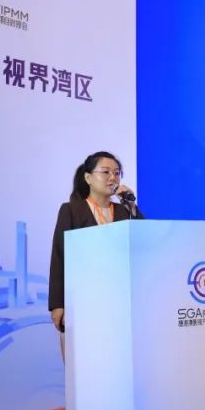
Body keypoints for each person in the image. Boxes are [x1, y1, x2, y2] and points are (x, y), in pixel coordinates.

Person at [48, 151, 143, 359]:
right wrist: (58, 304)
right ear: (88, 177)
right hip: (82, 301)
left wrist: (131, 206)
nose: (113, 178)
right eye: (106, 172)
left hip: (119, 301)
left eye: (117, 173)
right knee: (84, 362)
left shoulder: (124, 211)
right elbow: (59, 257)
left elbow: (143, 240)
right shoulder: (71, 210)